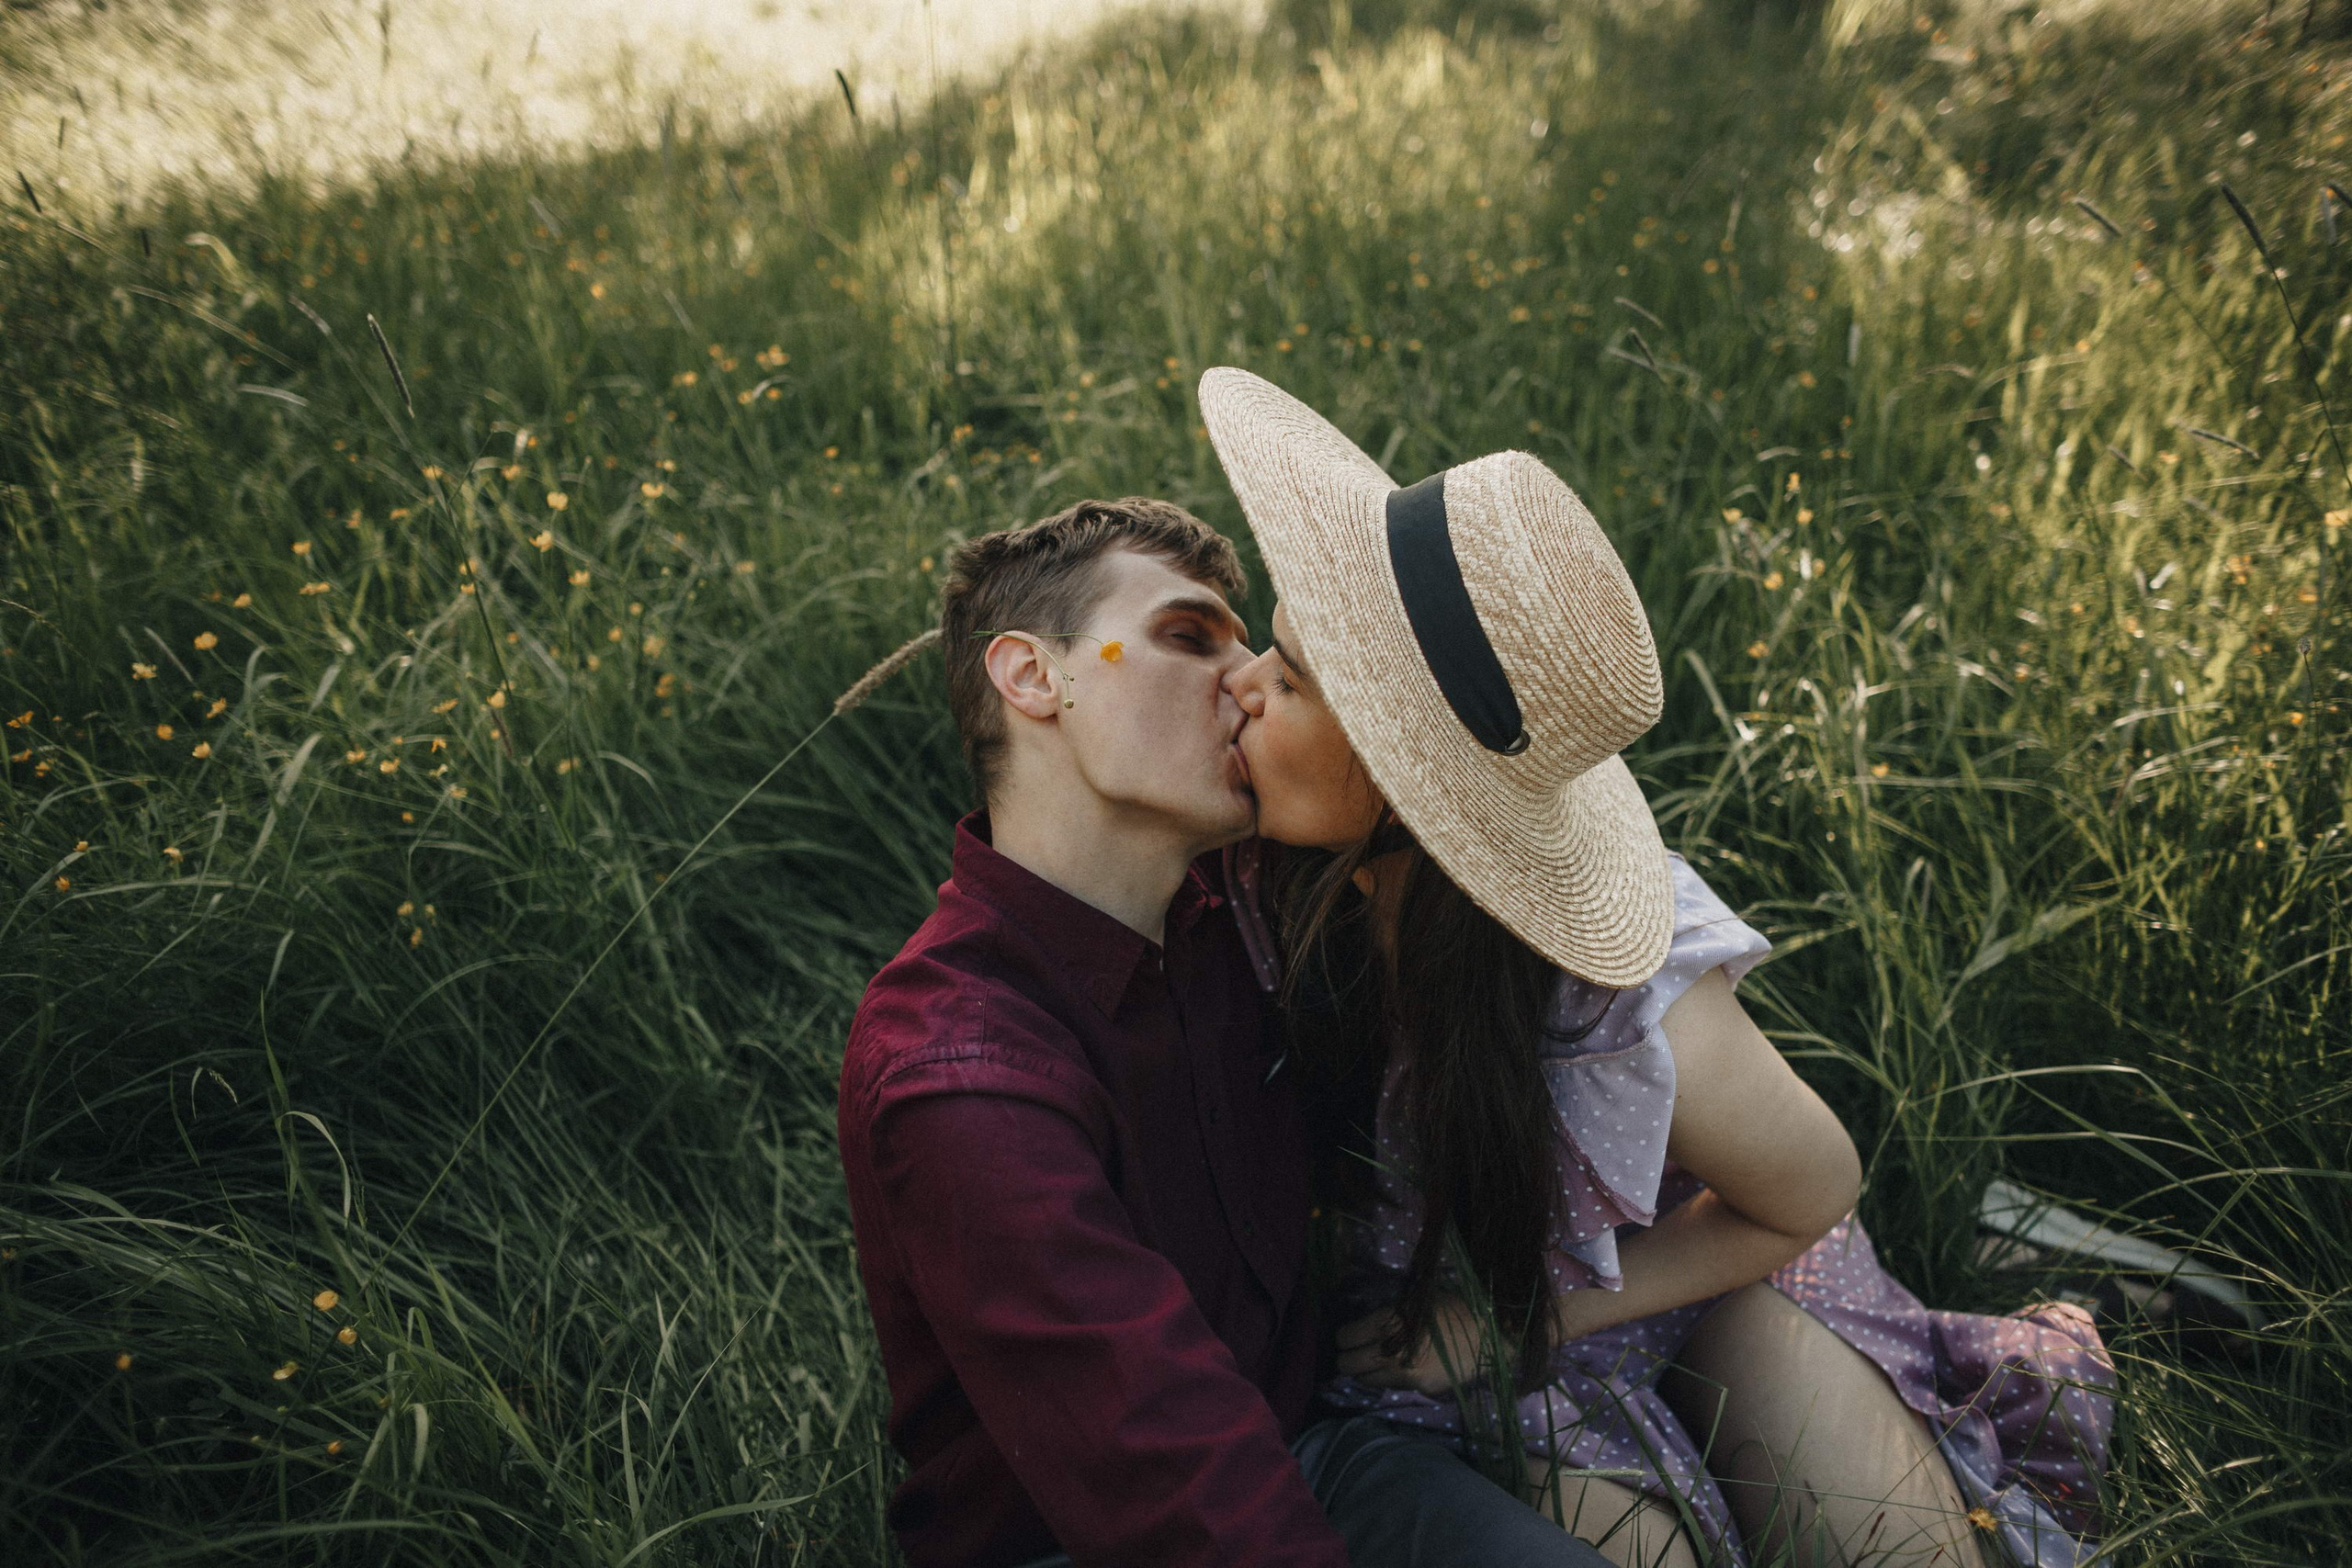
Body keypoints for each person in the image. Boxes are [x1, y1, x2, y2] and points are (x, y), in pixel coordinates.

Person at [1195, 367, 2118, 1568]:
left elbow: (1809, 1187)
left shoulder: (1629, 1005)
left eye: (1295, 678)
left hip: (1693, 1275)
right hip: (1465, 1340)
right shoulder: (1276, 882)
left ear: (1411, 792)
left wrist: (1513, 1319)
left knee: (1905, 1554)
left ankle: (2078, 1279)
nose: (1243, 681)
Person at [835, 498, 1614, 1567]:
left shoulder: (1249, 922)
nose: (1245, 682)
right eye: (1187, 637)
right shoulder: (962, 1073)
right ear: (1032, 677)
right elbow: (1162, 1473)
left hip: (1327, 1456)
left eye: (1251, 649)